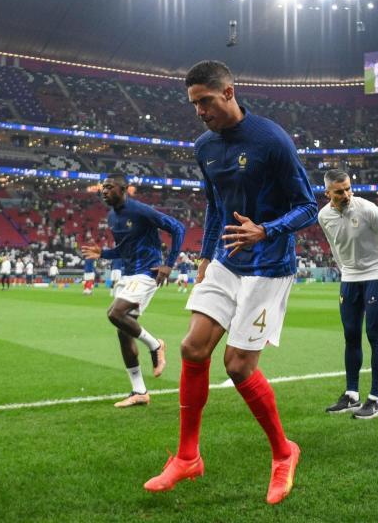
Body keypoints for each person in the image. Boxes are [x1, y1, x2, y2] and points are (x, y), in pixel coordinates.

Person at [144, 60, 317, 505]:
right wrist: (204, 255)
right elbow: (214, 205)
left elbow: (308, 206)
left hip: (269, 263)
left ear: (229, 93)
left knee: (239, 366)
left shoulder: (272, 140)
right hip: (225, 260)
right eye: (193, 104)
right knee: (192, 347)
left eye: (205, 101)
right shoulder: (204, 147)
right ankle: (187, 457)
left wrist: (266, 229)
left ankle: (284, 452)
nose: (200, 111)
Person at [81, 174, 185, 407]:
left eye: (109, 187)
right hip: (128, 276)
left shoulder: (141, 211)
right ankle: (139, 391)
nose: (104, 191)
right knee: (122, 331)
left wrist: (169, 263)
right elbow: (123, 249)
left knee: (114, 313)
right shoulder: (112, 217)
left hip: (147, 273)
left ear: (124, 189)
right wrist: (103, 254)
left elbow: (178, 228)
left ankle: (155, 345)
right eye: (102, 188)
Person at [318, 170, 378, 418]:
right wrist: (344, 271)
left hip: (376, 273)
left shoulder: (367, 209)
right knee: (350, 334)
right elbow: (334, 246)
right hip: (349, 277)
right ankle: (351, 395)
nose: (346, 194)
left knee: (375, 334)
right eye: (340, 191)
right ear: (328, 193)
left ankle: (375, 400)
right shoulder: (323, 216)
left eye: (348, 188)